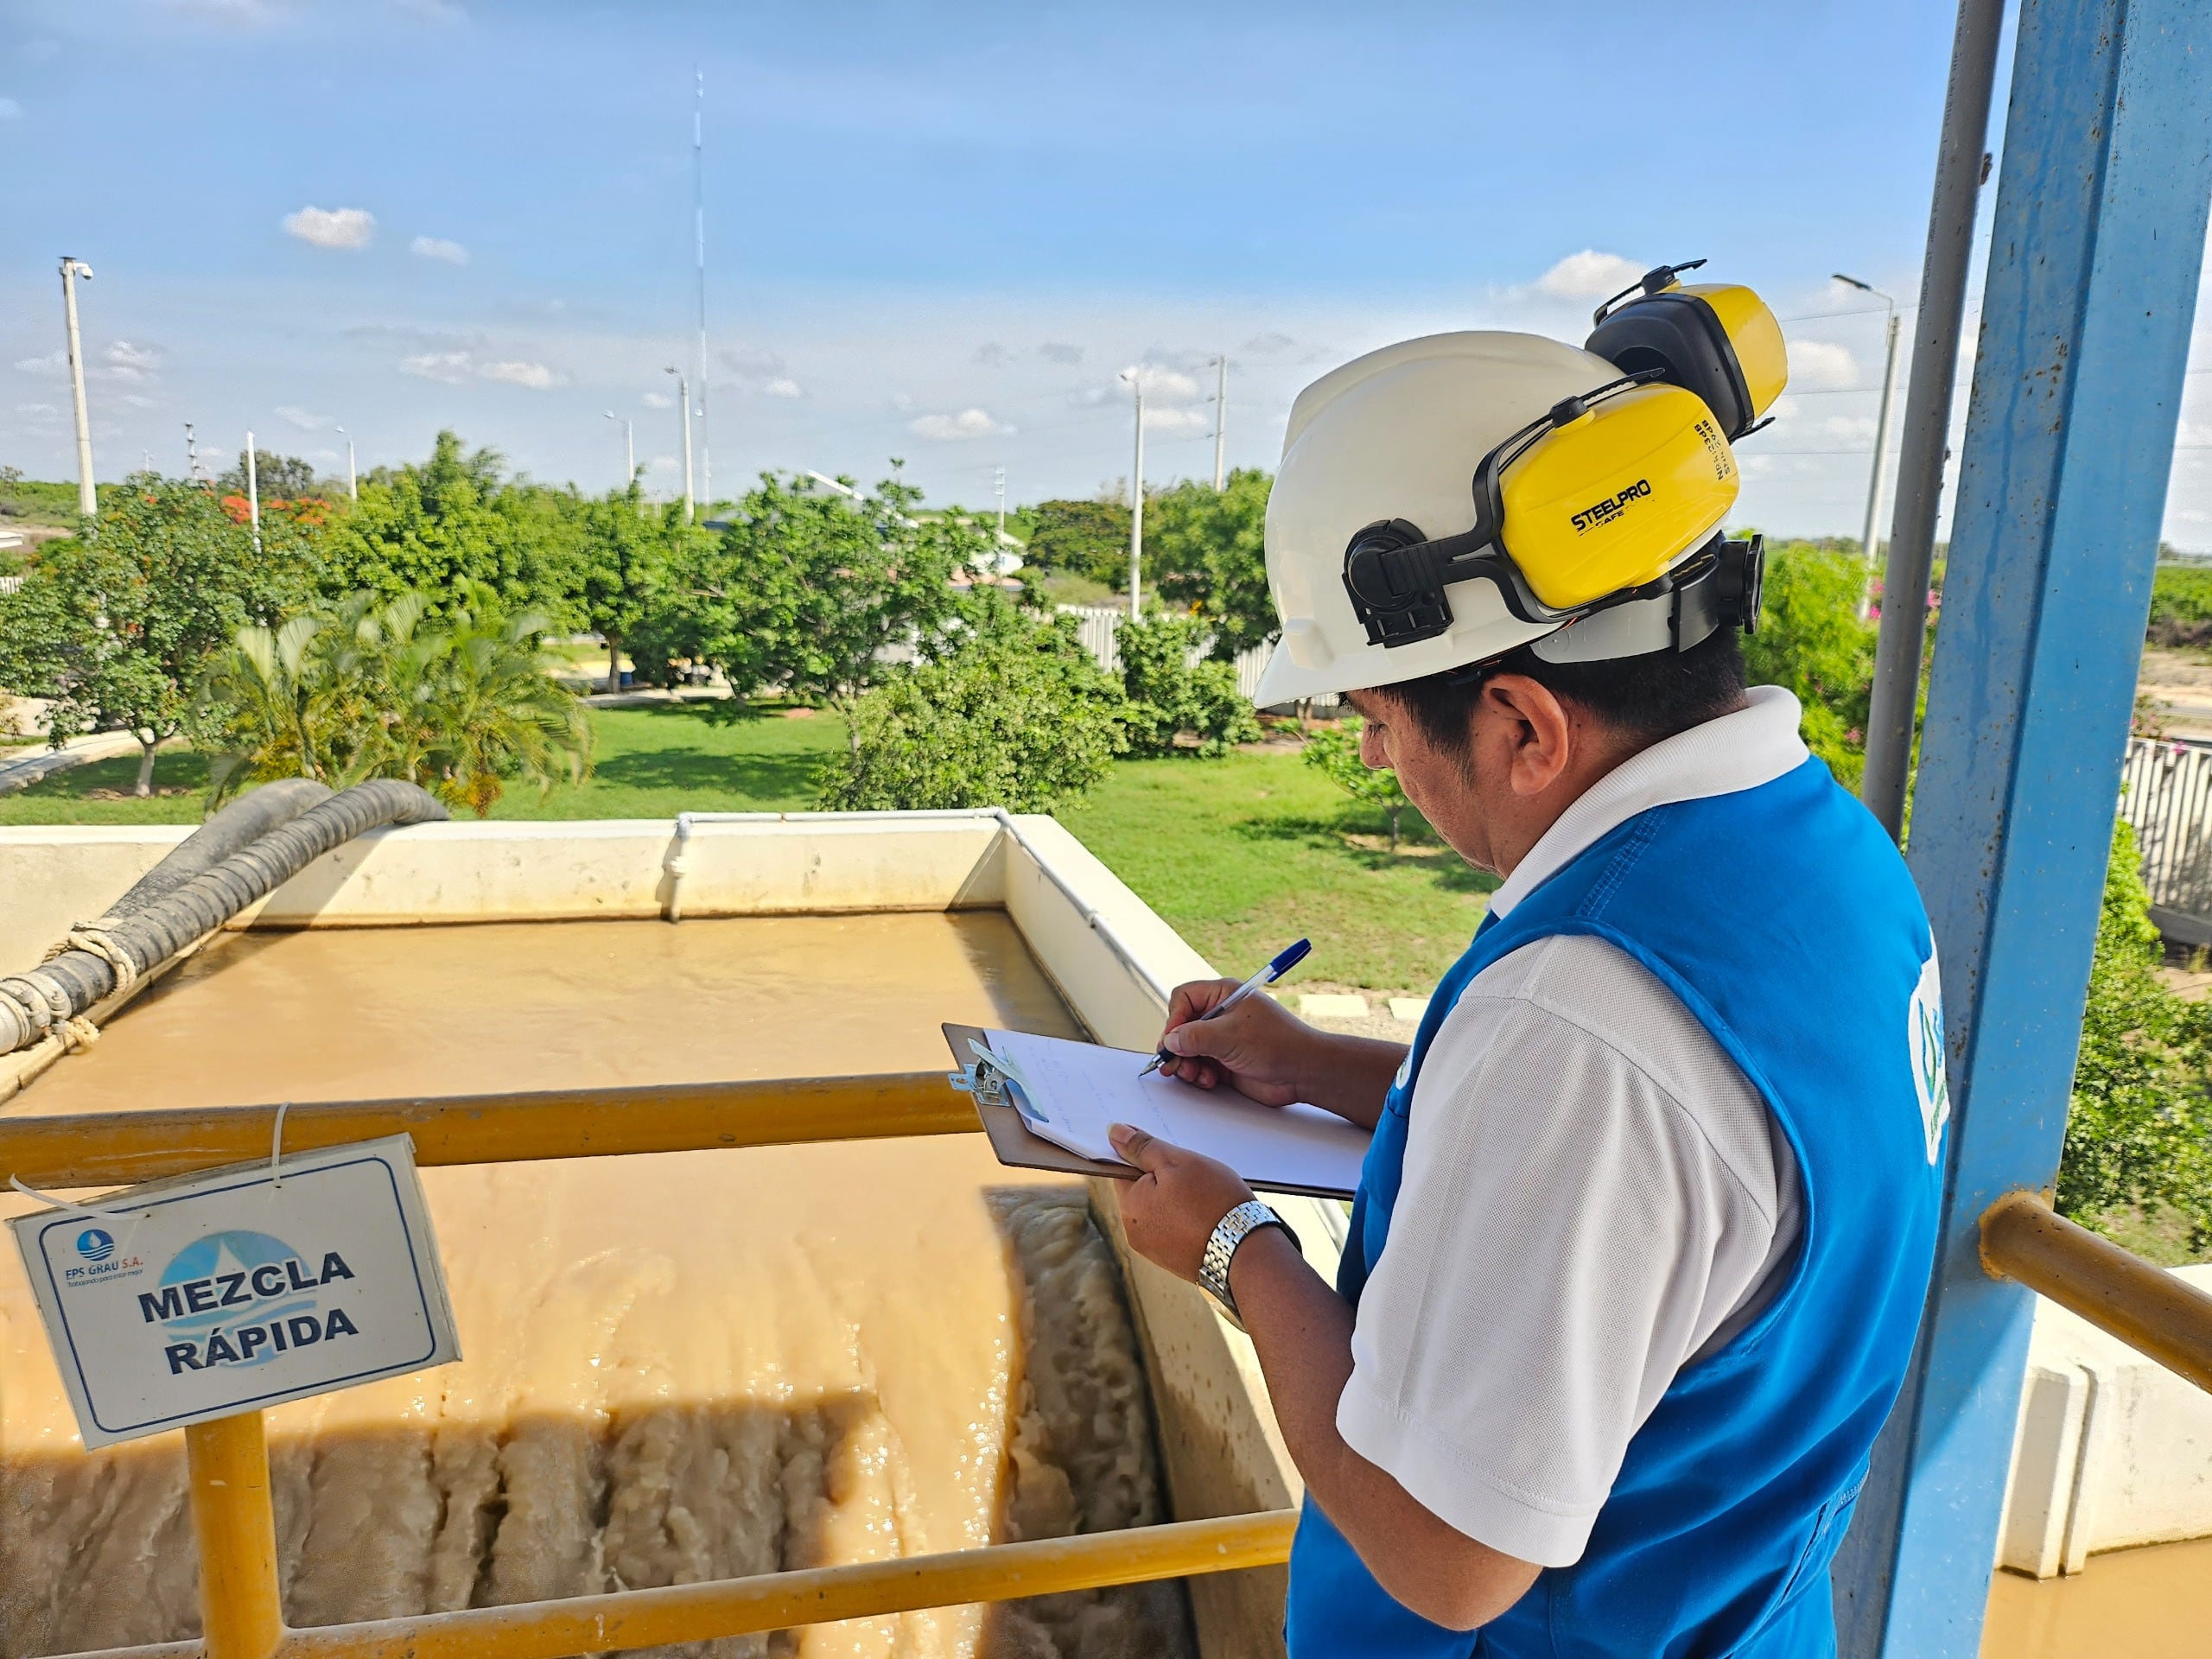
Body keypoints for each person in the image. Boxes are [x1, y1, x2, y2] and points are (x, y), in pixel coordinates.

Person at [1106, 291, 1948, 1657]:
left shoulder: (1578, 1016)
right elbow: (1662, 1199)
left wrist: (1232, 1244)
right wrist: (1316, 1067)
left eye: (1377, 721)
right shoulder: (1825, 857)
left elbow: (1450, 1559)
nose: (1375, 760)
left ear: (1519, 722)